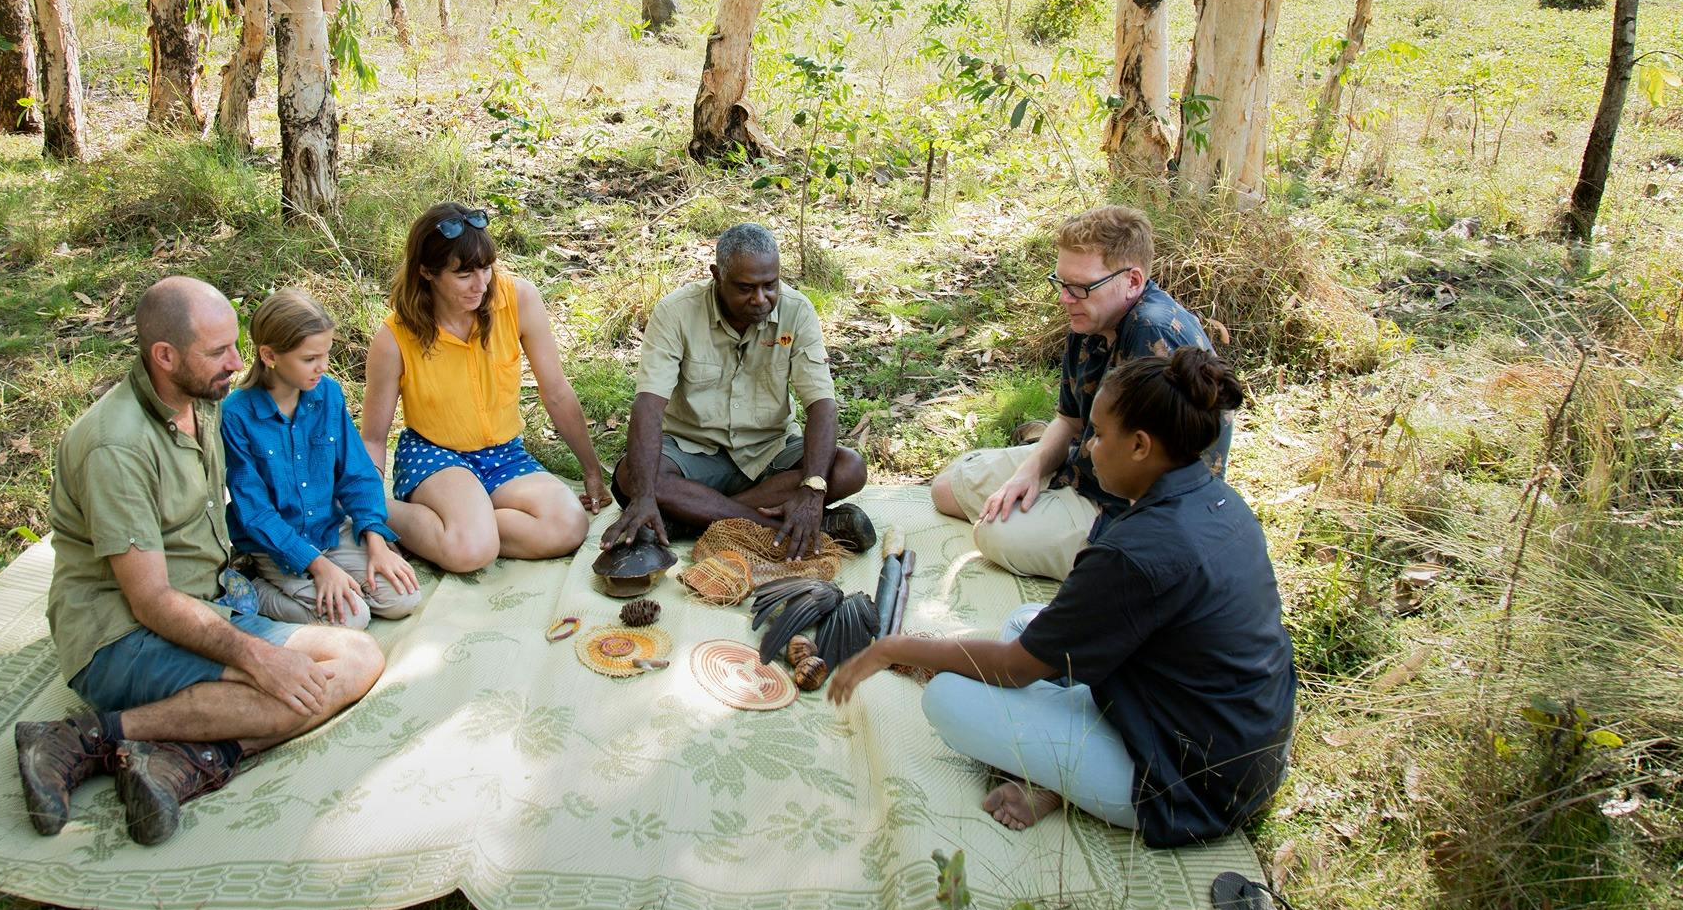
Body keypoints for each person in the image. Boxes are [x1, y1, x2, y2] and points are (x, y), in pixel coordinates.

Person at [831, 349, 1294, 848]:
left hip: (1188, 784)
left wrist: (891, 648)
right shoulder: (1219, 502)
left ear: (1140, 446)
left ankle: (1063, 785)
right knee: (1030, 620)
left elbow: (1015, 668)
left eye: (1098, 434)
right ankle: (1062, 773)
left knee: (949, 697)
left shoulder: (1136, 553)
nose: (1089, 448)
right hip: (1242, 742)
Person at [14, 277, 383, 847]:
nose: (237, 365)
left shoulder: (201, 401)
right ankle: (94, 733)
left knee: (356, 658)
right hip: (122, 634)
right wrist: (258, 658)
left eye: (236, 346)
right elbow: (150, 601)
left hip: (208, 604)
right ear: (165, 356)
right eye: (219, 352)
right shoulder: (117, 446)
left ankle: (172, 758)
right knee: (289, 692)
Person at [930, 204, 1228, 580]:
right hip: (1085, 462)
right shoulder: (1089, 319)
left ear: (1133, 281)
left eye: (1080, 287)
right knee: (946, 488)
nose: (1065, 299)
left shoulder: (1155, 336)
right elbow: (1069, 419)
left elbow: (1161, 473)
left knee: (994, 534)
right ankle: (1046, 501)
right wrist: (1031, 471)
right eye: (1061, 284)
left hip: (1128, 503)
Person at [361, 203, 607, 572]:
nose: (481, 284)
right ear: (427, 272)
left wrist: (590, 469)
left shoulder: (519, 299)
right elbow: (374, 438)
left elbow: (555, 390)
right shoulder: (394, 338)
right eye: (463, 276)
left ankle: (463, 523)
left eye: (485, 268)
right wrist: (368, 519)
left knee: (569, 525)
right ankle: (377, 512)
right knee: (470, 553)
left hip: (504, 453)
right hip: (436, 455)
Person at [605, 223, 871, 561]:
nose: (761, 299)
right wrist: (644, 496)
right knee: (634, 476)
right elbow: (648, 405)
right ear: (717, 276)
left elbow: (821, 404)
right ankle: (773, 526)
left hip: (769, 451)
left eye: (769, 285)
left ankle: (692, 518)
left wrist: (813, 491)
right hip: (693, 451)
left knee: (848, 468)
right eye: (745, 288)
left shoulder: (797, 312)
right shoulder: (676, 313)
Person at [222, 287, 422, 628]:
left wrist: (375, 538)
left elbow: (357, 474)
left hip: (330, 527)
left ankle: (336, 578)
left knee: (403, 597)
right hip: (276, 547)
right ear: (269, 355)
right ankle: (254, 589)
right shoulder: (236, 415)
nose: (322, 367)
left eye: (326, 354)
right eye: (309, 359)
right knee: (351, 619)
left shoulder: (327, 393)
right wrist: (318, 566)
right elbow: (255, 512)